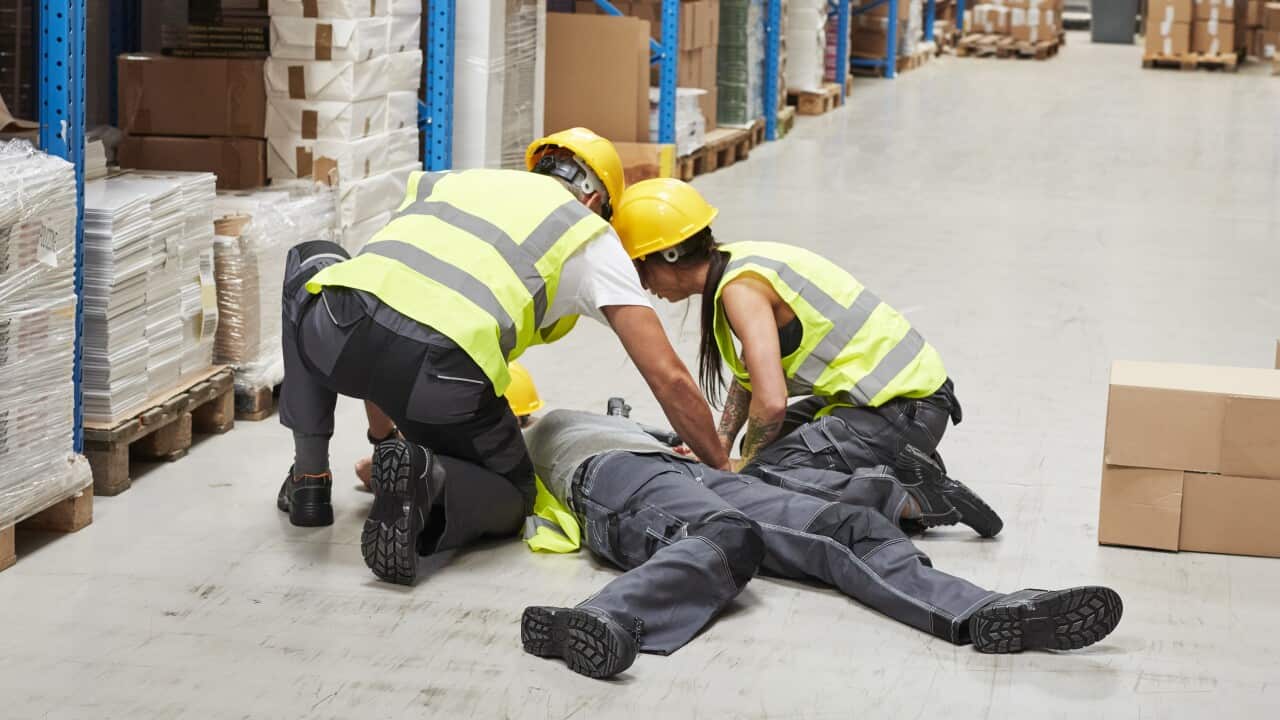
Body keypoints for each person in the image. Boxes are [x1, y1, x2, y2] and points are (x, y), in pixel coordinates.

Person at [275, 128, 728, 586]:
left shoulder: (452, 181)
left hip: (338, 334)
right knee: (513, 493)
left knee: (311, 263)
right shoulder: (586, 232)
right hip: (441, 376)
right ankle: (427, 479)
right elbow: (667, 375)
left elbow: (386, 290)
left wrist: (382, 438)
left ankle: (309, 479)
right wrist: (720, 465)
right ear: (596, 203)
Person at [518, 407, 1125, 679]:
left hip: (685, 469)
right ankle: (600, 619)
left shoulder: (605, 417)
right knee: (725, 536)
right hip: (615, 479)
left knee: (848, 525)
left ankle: (978, 609)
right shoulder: (533, 433)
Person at [610, 178, 1002, 538]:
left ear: (671, 254)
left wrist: (741, 467)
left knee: (764, 475)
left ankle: (914, 501)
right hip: (894, 404)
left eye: (641, 265)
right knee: (759, 445)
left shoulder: (741, 291)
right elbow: (751, 376)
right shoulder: (738, 264)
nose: (643, 283)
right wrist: (721, 444)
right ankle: (905, 466)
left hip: (903, 408)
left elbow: (772, 401)